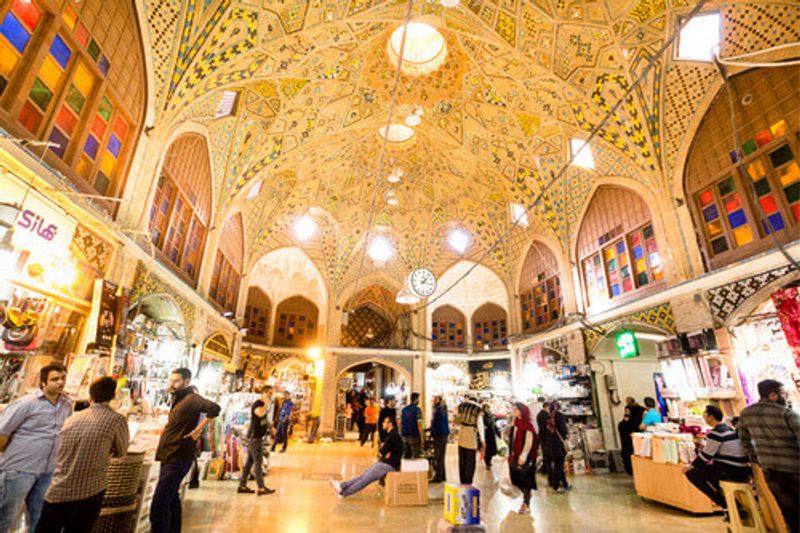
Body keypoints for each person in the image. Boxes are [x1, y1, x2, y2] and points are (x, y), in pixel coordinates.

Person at [35, 377, 129, 533]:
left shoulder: (73, 418)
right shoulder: (117, 420)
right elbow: (121, 451)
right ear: (112, 396)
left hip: (57, 490)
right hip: (89, 492)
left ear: (90, 396)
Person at [0, 363, 71, 533]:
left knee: (39, 516)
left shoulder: (67, 404)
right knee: (7, 515)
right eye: (55, 379)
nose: (60, 382)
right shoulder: (27, 403)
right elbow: (3, 431)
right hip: (20, 468)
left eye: (63, 378)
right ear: (43, 383)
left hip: (47, 470)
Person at [150, 368, 221, 533]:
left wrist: (198, 430)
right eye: (170, 380)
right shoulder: (178, 398)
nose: (172, 384)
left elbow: (215, 408)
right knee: (172, 498)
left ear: (187, 382)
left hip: (178, 455)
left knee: (160, 503)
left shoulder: (192, 399)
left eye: (176, 381)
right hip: (169, 454)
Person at [738, 379, 800, 532]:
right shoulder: (786, 413)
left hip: (770, 469)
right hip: (795, 467)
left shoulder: (746, 413)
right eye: (783, 394)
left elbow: (744, 440)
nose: (786, 397)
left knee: (787, 509)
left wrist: (755, 458)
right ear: (773, 395)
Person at [684, 405, 750, 516]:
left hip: (731, 470)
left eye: (705, 414)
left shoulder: (716, 433)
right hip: (742, 468)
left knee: (692, 474)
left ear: (711, 416)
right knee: (711, 475)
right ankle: (731, 506)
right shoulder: (728, 429)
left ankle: (726, 504)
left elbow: (706, 456)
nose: (703, 417)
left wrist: (691, 466)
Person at [329, 414, 404, 498]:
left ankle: (344, 492)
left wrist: (384, 451)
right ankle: (342, 486)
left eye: (384, 422)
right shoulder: (392, 435)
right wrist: (385, 452)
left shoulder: (393, 436)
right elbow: (383, 452)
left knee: (364, 480)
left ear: (390, 424)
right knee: (363, 476)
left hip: (388, 465)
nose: (382, 424)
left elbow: (381, 452)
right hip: (385, 463)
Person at [238, 386, 276, 496]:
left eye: (271, 393)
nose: (270, 395)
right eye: (269, 393)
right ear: (263, 393)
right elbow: (260, 414)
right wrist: (267, 404)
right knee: (258, 463)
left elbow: (263, 418)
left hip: (256, 437)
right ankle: (261, 488)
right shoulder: (257, 404)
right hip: (255, 438)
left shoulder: (263, 405)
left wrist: (270, 426)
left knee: (249, 463)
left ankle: (242, 485)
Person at [507, 402, 538, 515]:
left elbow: (528, 443)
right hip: (515, 455)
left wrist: (523, 456)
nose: (513, 411)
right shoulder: (515, 423)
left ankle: (526, 503)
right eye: (513, 409)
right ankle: (526, 496)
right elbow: (513, 439)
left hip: (525, 457)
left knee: (526, 480)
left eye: (516, 409)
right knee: (516, 477)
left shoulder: (527, 425)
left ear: (522, 411)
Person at [541, 400, 570, 492]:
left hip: (549, 444)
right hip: (558, 444)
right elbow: (563, 430)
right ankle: (556, 485)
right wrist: (566, 436)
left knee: (558, 465)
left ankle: (565, 484)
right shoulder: (559, 416)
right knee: (559, 465)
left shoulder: (548, 417)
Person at [456, 395, 483, 485]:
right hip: (471, 434)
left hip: (462, 433)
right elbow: (480, 426)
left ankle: (462, 480)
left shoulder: (461, 406)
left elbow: (457, 419)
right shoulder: (478, 409)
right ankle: (468, 481)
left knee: (462, 459)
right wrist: (483, 441)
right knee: (470, 460)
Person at [429, 395, 450, 483]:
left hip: (439, 435)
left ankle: (438, 477)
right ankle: (443, 475)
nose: (433, 400)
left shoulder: (438, 410)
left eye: (435, 399)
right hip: (443, 434)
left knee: (439, 456)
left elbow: (436, 423)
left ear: (439, 400)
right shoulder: (442, 409)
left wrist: (431, 431)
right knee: (441, 456)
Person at [401, 393, 424, 459]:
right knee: (416, 457)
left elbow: (400, 423)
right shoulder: (418, 410)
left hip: (405, 436)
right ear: (416, 399)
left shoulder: (404, 410)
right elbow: (419, 424)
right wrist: (422, 437)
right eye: (418, 399)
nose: (419, 401)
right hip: (415, 436)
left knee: (406, 457)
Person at [618, 406, 638, 475]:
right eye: (625, 411)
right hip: (625, 444)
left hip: (632, 444)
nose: (626, 412)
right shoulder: (622, 423)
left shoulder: (634, 421)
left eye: (628, 411)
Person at [481, 403, 499, 469]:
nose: (487, 409)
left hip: (492, 434)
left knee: (491, 449)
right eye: (486, 408)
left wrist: (498, 433)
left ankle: (489, 461)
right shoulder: (482, 415)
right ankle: (487, 462)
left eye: (488, 408)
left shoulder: (490, 414)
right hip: (486, 435)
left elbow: (494, 424)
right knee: (487, 449)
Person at [536, 398, 550, 475]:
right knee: (547, 454)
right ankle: (546, 470)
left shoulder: (539, 414)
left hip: (541, 436)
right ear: (547, 407)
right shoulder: (546, 415)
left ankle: (545, 469)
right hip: (546, 437)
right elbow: (547, 427)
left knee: (545, 453)